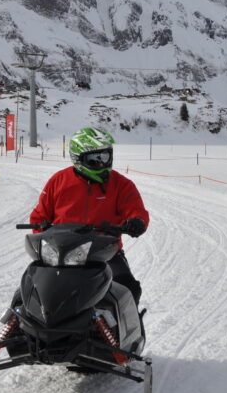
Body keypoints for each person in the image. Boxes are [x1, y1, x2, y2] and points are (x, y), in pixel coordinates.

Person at [30, 127, 149, 304]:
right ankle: (20, 326)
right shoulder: (59, 181)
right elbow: (39, 215)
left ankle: (130, 330)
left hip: (103, 250)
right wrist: (42, 229)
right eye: (95, 159)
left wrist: (136, 221)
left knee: (128, 288)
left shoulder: (121, 184)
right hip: (61, 251)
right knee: (32, 290)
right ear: (78, 159)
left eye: (105, 157)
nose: (102, 164)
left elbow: (135, 208)